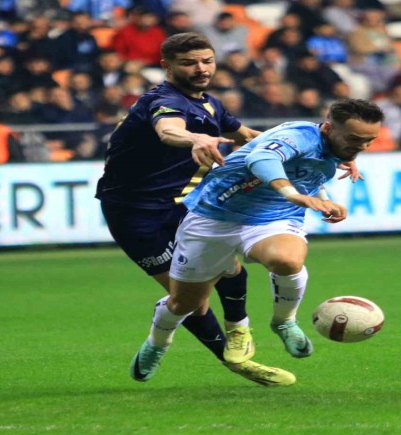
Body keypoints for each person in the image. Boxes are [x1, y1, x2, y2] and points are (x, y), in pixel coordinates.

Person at [131, 99, 384, 384]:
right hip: (213, 217)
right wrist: (294, 195)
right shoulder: (298, 135)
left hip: (273, 217)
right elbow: (261, 159)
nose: (363, 146)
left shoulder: (338, 146)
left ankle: (284, 321)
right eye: (355, 139)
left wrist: (324, 198)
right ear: (327, 128)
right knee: (184, 303)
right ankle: (157, 343)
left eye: (369, 140)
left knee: (287, 260)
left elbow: (309, 170)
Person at [95, 32, 290, 386]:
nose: (201, 69)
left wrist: (316, 148)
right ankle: (232, 362)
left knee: (231, 269)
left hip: (184, 204)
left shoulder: (209, 104)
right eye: (189, 63)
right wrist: (195, 138)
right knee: (190, 301)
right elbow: (168, 130)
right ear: (166, 66)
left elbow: (248, 135)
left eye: (207, 61)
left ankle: (238, 332)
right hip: (135, 214)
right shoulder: (164, 101)